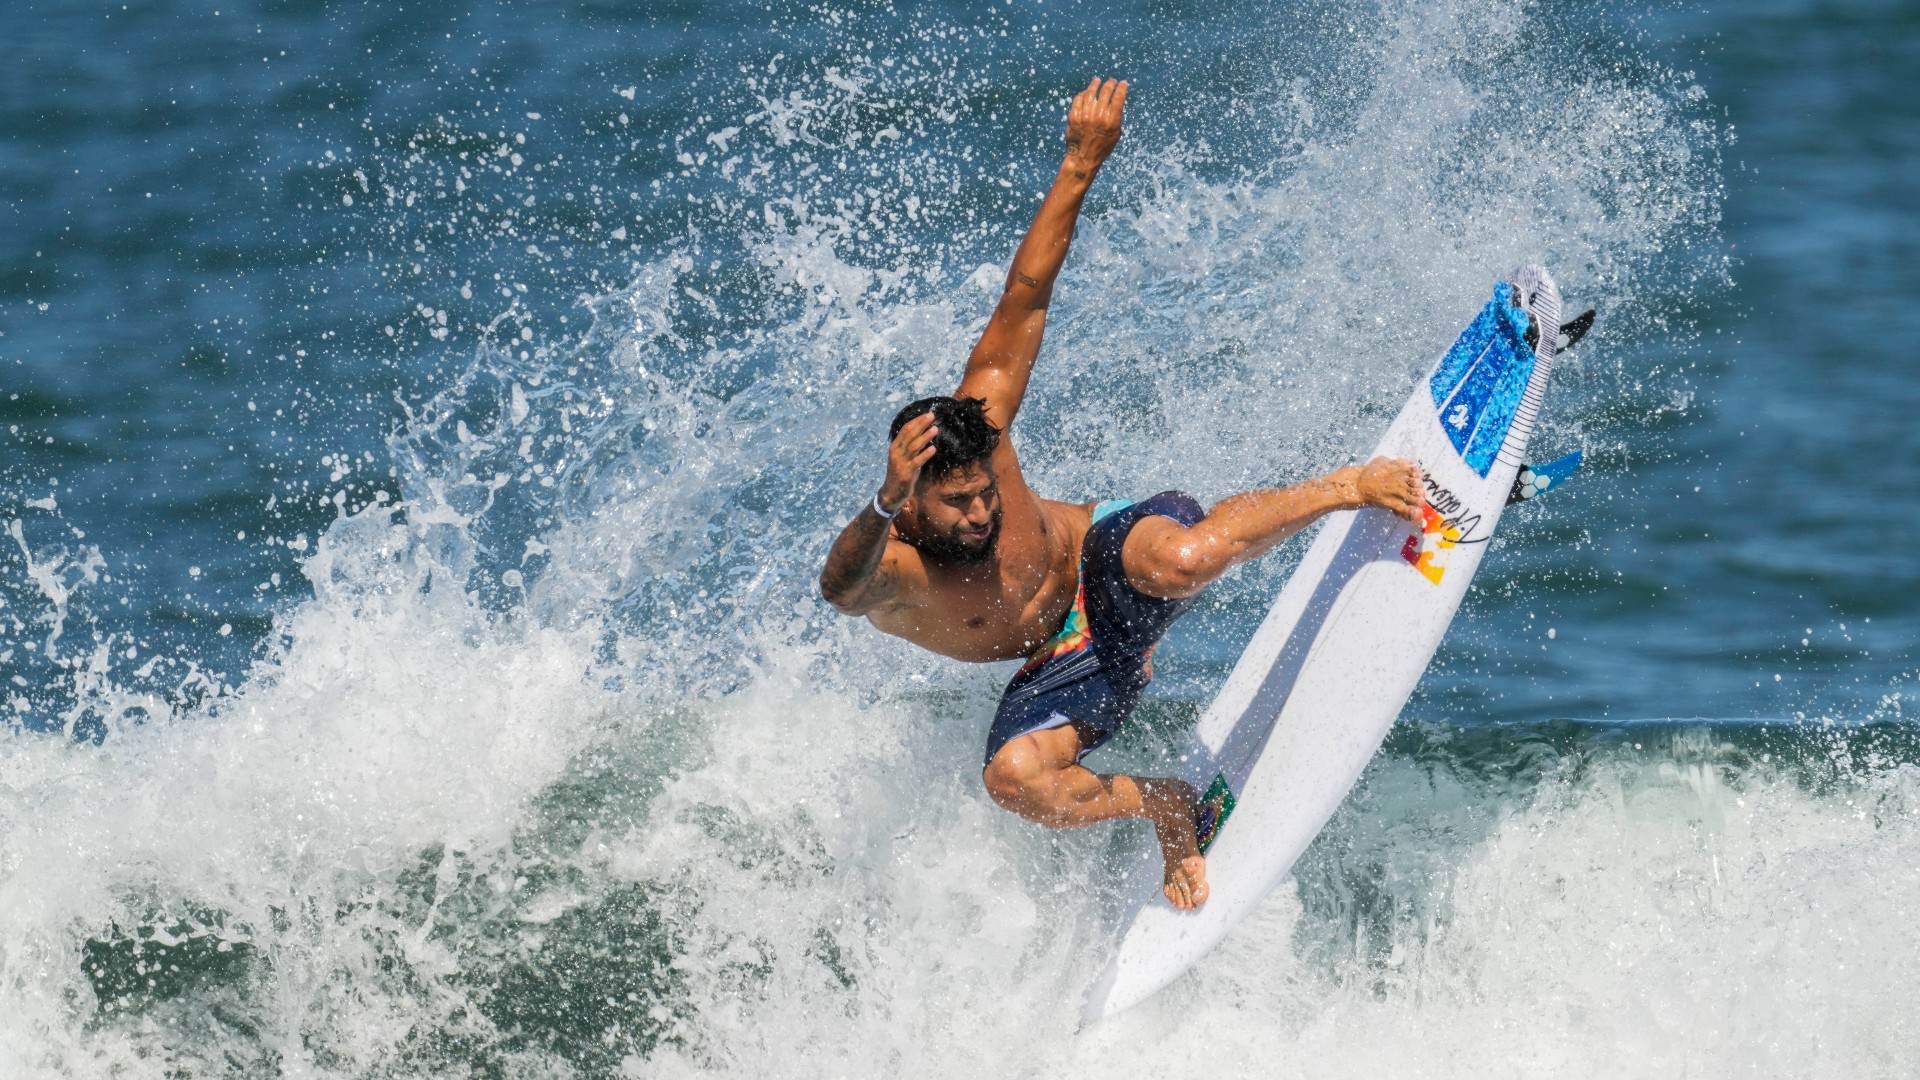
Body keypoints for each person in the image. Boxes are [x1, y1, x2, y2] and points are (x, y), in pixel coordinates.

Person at [817, 77, 1424, 910]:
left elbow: (1025, 297)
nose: (984, 511)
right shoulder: (888, 563)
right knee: (1016, 782)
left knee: (1184, 556)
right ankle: (1163, 803)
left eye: (986, 490)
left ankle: (1345, 484)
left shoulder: (983, 425)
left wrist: (1079, 162)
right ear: (911, 502)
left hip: (1111, 565)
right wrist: (882, 504)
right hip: (1070, 664)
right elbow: (836, 589)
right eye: (956, 505)